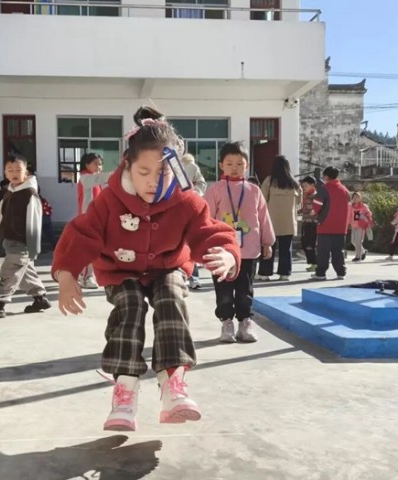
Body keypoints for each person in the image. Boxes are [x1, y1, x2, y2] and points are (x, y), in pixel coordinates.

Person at [52, 106, 240, 432]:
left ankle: (173, 384)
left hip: (168, 267)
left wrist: (227, 254)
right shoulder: (110, 200)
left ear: (176, 169)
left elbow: (207, 230)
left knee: (171, 297)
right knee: (130, 304)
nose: (153, 182)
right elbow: (81, 233)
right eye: (143, 172)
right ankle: (125, 390)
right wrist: (66, 274)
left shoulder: (185, 201)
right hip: (120, 270)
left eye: (163, 173)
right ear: (128, 166)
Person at [204, 142, 274, 343]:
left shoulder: (254, 190)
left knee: (245, 290)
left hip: (249, 251)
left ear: (247, 165)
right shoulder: (215, 189)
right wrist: (204, 242)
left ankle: (245, 322)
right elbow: (206, 218)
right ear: (221, 166)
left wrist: (267, 242)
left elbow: (263, 217)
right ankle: (226, 323)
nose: (234, 168)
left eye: (239, 164)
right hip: (222, 251)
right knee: (224, 290)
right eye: (229, 164)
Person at [0, 154, 51, 318]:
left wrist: (33, 247)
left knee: (9, 273)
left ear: (26, 172)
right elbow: (0, 218)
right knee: (25, 271)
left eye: (18, 170)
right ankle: (40, 299)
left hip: (22, 242)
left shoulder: (29, 194)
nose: (14, 173)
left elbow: (34, 222)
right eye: (10, 170)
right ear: (5, 172)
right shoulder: (8, 192)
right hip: (10, 240)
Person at [257, 155, 301, 281]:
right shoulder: (295, 183)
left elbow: (262, 200)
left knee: (268, 247)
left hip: (271, 221)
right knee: (286, 249)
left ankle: (265, 273)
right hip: (289, 222)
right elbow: (299, 203)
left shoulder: (269, 181)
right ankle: (285, 273)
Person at [76, 152, 112, 289]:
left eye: (100, 164)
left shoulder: (96, 179)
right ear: (86, 164)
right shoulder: (85, 178)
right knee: (90, 249)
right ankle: (87, 276)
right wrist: (117, 173)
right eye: (95, 163)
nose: (99, 166)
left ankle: (83, 274)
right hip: (88, 219)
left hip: (98, 219)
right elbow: (100, 178)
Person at [311, 166, 350, 280]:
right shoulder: (344, 190)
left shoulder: (324, 189)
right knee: (338, 251)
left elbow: (317, 205)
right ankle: (340, 272)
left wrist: (315, 213)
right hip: (341, 227)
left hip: (325, 225)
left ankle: (321, 273)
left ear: (326, 177)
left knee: (323, 252)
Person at [181, 153, 208, 290]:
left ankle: (193, 277)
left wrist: (193, 194)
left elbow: (201, 183)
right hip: (173, 207)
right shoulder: (163, 164)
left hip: (186, 207)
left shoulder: (189, 166)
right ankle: (185, 276)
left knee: (189, 242)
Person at [348, 192, 373, 262]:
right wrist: (348, 223)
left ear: (360, 198)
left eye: (357, 197)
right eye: (354, 197)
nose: (355, 198)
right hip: (353, 225)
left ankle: (358, 256)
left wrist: (364, 215)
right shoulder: (351, 206)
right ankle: (363, 251)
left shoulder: (364, 206)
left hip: (361, 226)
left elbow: (369, 213)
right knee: (353, 241)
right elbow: (348, 214)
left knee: (358, 241)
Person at [300, 175, 318, 271]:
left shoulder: (316, 196)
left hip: (312, 223)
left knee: (310, 244)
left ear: (312, 185)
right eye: (303, 186)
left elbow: (317, 209)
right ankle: (312, 262)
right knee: (304, 243)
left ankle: (315, 263)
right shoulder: (306, 196)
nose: (304, 188)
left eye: (306, 186)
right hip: (305, 222)